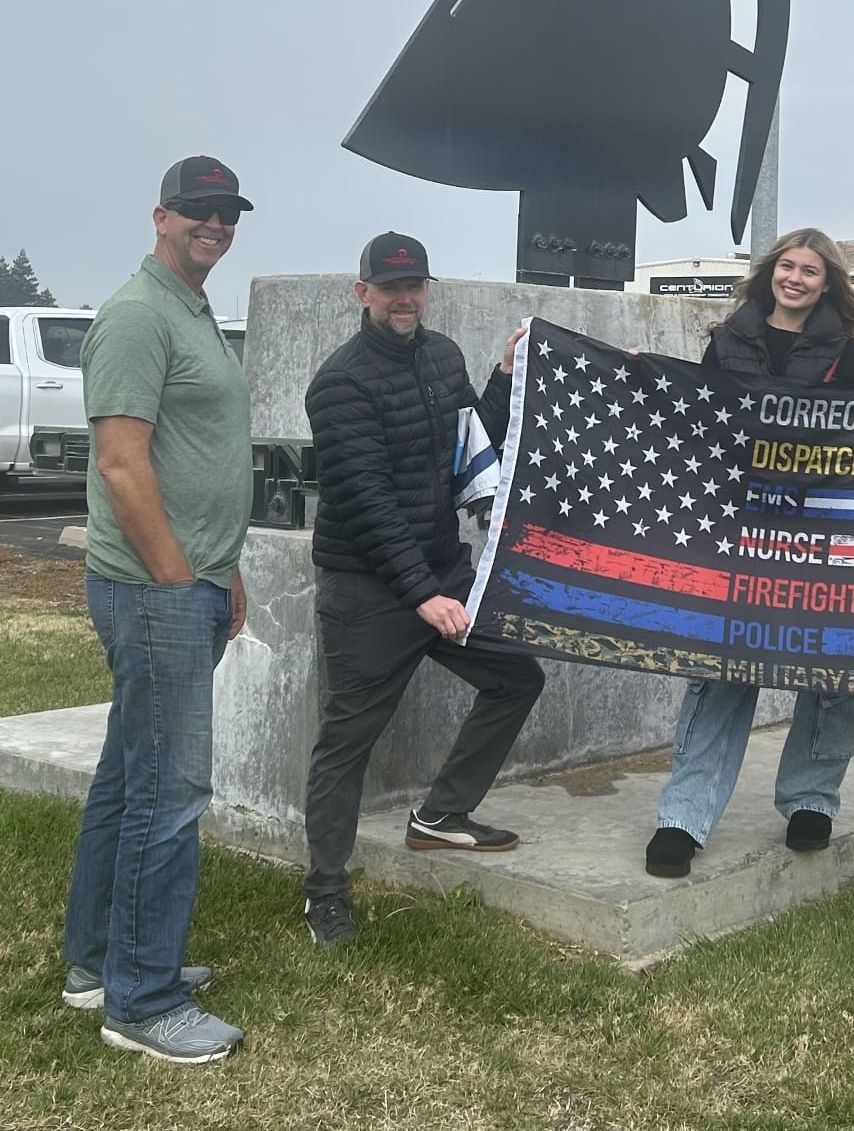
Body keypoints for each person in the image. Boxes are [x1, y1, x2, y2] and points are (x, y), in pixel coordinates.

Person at [60, 156, 255, 1064]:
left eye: (227, 213)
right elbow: (122, 466)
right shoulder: (137, 315)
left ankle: (99, 962)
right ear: (160, 216)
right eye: (198, 211)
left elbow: (199, 453)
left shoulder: (191, 307)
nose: (213, 224)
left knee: (127, 777)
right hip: (153, 591)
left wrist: (226, 571)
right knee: (171, 794)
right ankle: (141, 999)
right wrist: (181, 581)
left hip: (194, 581)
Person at [301, 233, 544, 949]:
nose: (404, 298)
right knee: (347, 744)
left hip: (439, 574)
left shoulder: (442, 358)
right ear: (363, 292)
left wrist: (503, 377)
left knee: (516, 678)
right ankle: (324, 895)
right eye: (390, 287)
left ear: (427, 289)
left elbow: (474, 451)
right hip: (367, 592)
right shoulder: (339, 384)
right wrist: (422, 596)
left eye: (416, 286)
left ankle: (440, 817)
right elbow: (369, 502)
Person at [644, 228, 854, 879]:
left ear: (827, 284)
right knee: (723, 669)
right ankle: (683, 818)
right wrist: (644, 376)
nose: (795, 278)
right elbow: (699, 421)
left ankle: (811, 800)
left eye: (809, 270)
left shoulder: (848, 355)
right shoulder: (728, 339)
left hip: (819, 529)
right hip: (740, 529)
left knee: (831, 672)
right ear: (770, 272)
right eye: (786, 266)